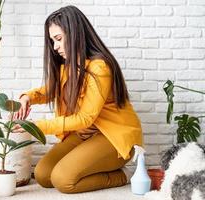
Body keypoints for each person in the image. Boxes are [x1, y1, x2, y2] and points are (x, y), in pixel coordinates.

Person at [12, 5, 143, 194]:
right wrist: (27, 98)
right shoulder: (69, 66)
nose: (55, 47)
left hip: (111, 137)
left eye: (58, 39)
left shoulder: (100, 68)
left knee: (63, 180)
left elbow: (84, 119)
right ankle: (90, 166)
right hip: (84, 135)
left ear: (75, 34)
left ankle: (122, 175)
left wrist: (36, 126)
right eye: (52, 41)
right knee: (43, 175)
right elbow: (51, 90)